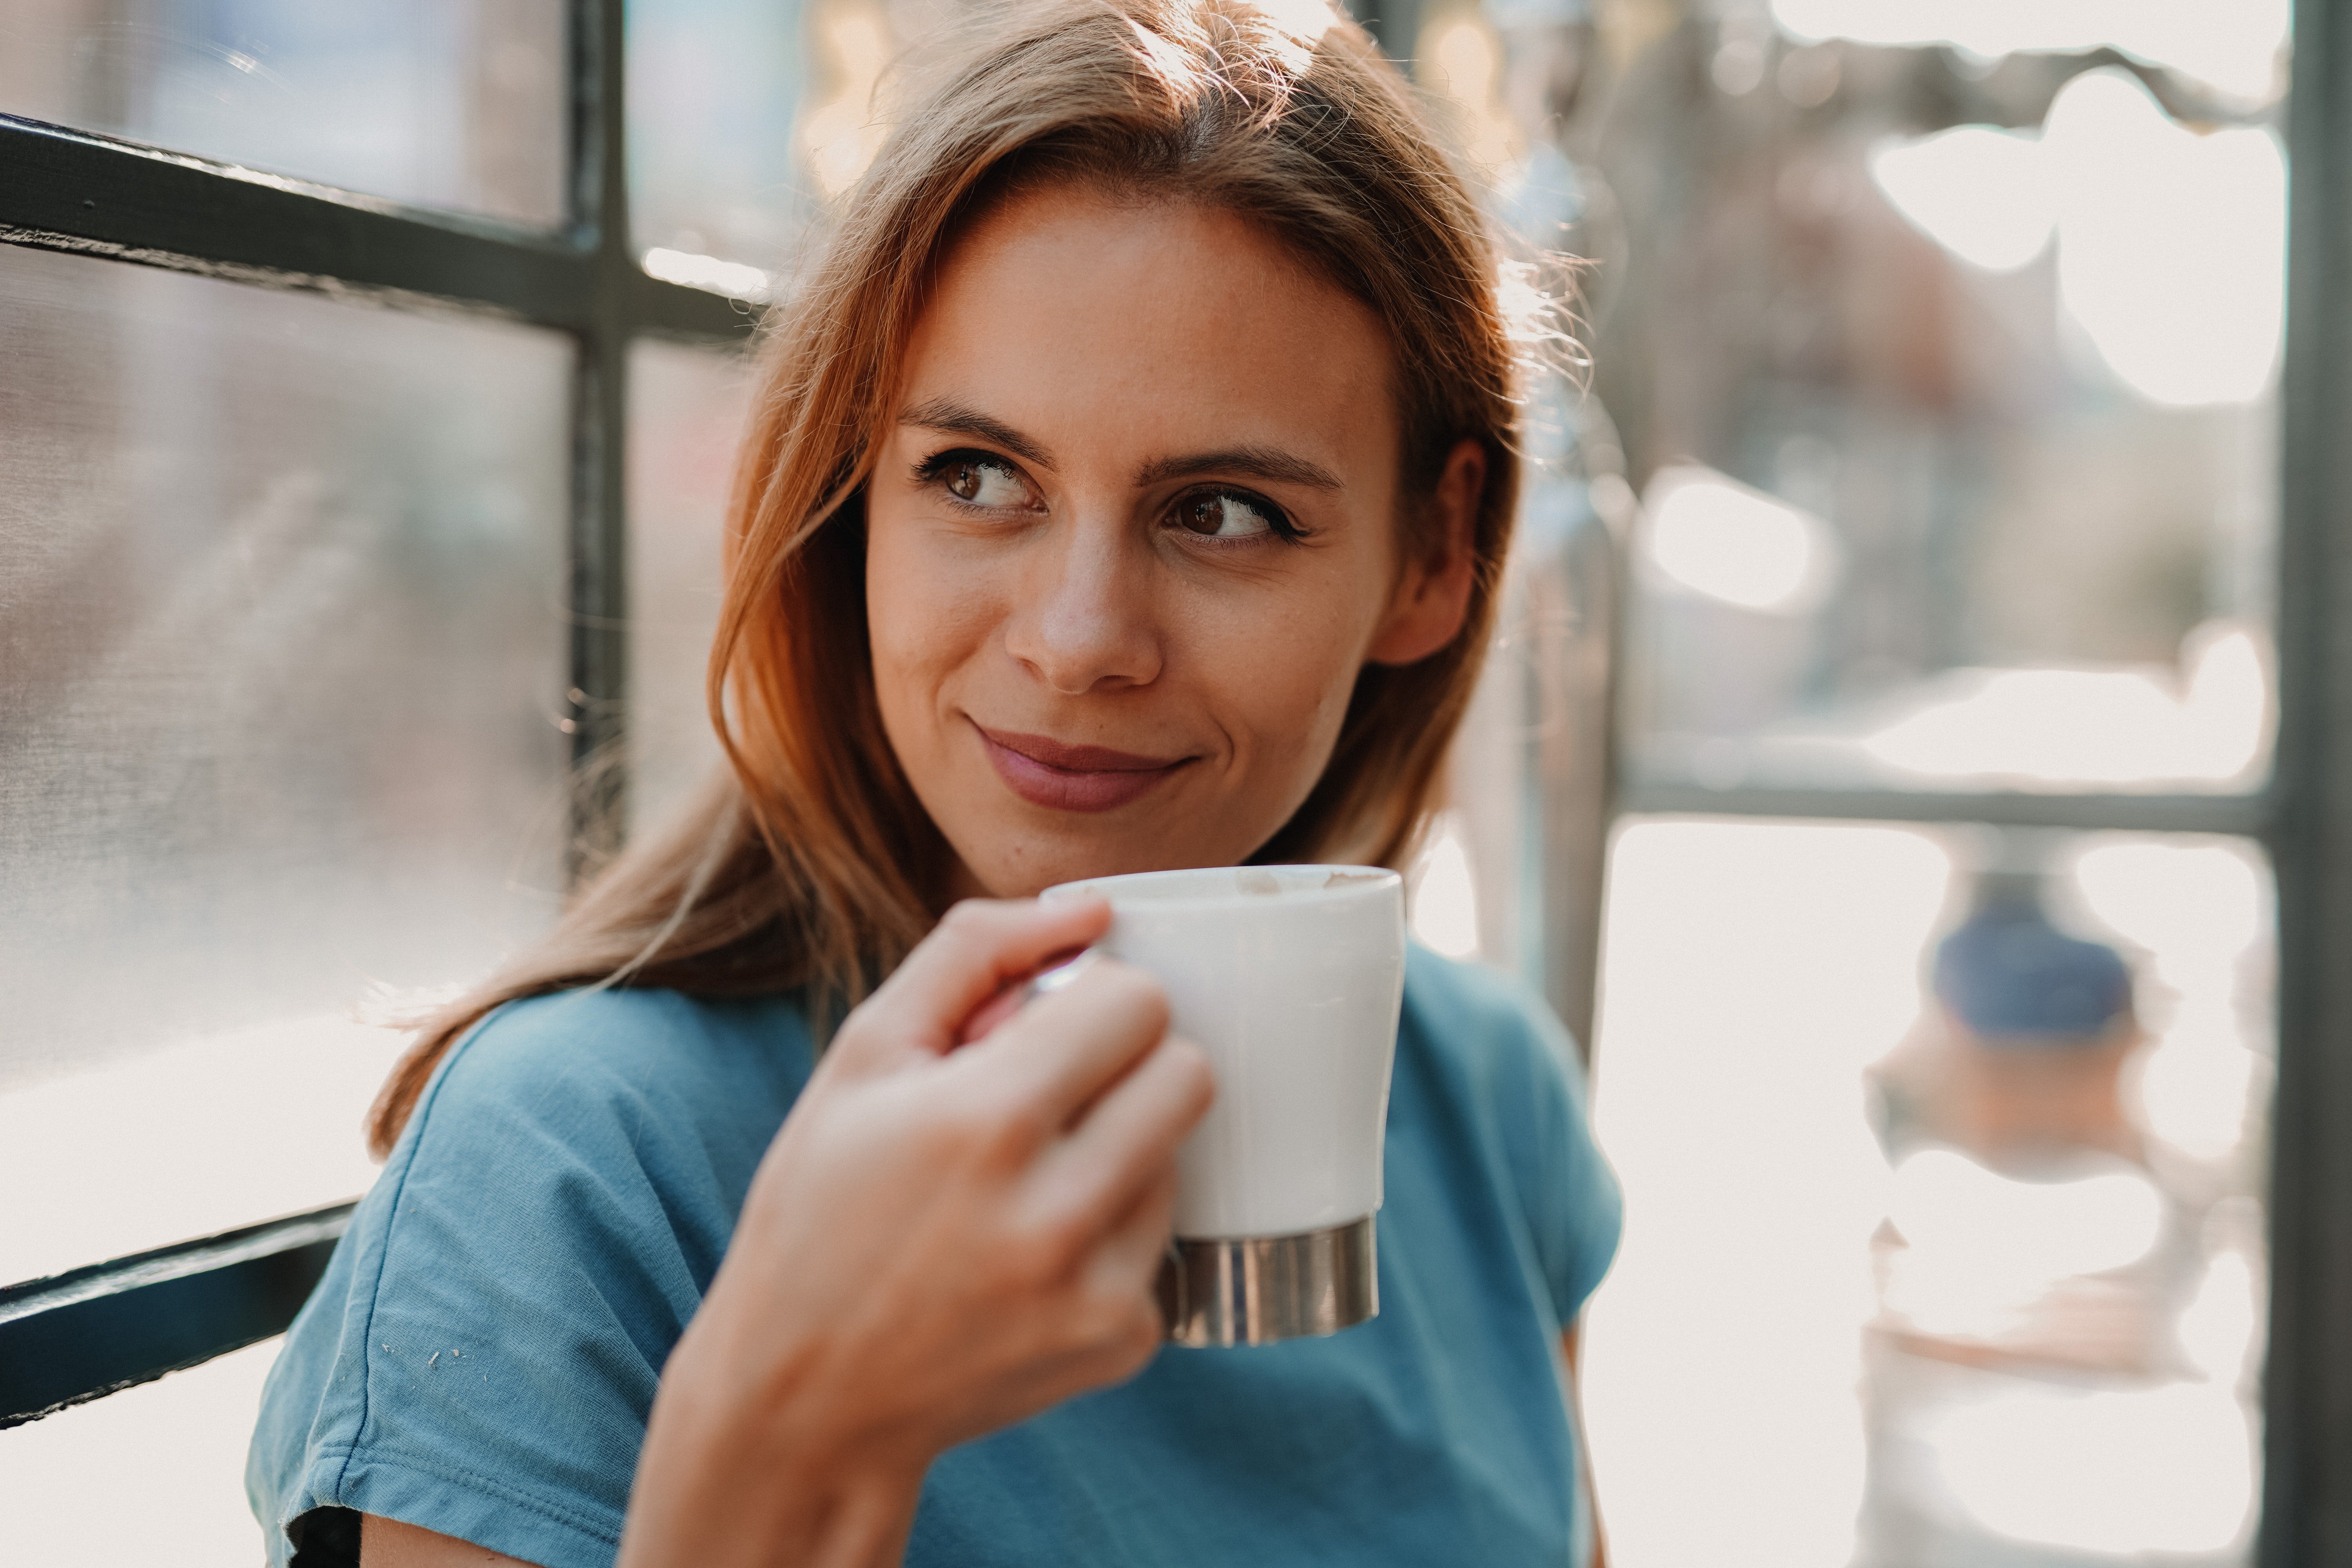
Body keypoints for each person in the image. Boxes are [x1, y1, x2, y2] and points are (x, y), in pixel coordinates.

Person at [247, 1, 1622, 1563]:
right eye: (977, 476)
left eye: (1223, 512)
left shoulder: (1485, 1101)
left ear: (1434, 557)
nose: (1081, 639)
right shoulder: (578, 1170)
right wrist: (795, 1418)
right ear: (852, 500)